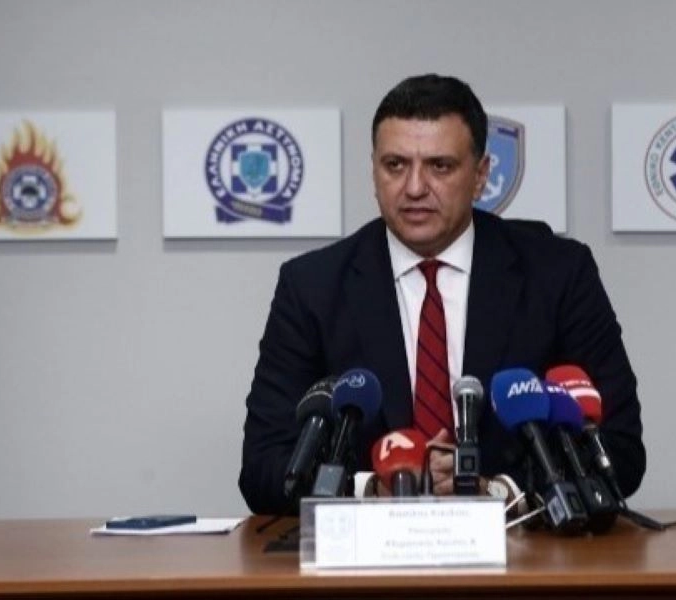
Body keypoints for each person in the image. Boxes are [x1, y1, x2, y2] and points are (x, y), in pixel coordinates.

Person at [238, 74, 644, 515]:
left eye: (440, 166)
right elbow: (263, 468)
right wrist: (371, 489)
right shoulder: (312, 286)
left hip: (519, 549)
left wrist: (496, 491)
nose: (414, 188)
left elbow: (619, 452)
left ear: (481, 175)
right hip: (367, 551)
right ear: (373, 171)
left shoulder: (557, 275)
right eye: (395, 165)